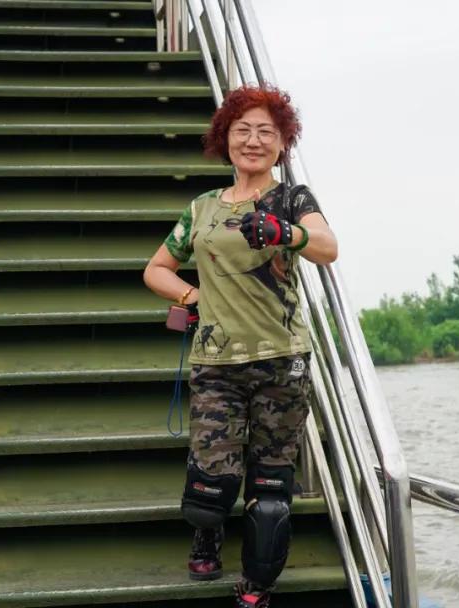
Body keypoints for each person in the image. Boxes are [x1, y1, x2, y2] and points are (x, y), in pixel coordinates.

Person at [143, 85, 338, 608]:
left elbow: (327, 247)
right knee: (212, 477)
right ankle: (207, 533)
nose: (253, 141)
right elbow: (156, 269)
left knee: (270, 488)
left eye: (266, 132)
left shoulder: (292, 199)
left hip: (282, 361)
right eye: (243, 130)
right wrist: (192, 296)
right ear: (225, 138)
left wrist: (285, 233)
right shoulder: (202, 208)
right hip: (216, 362)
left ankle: (257, 584)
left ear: (283, 143)